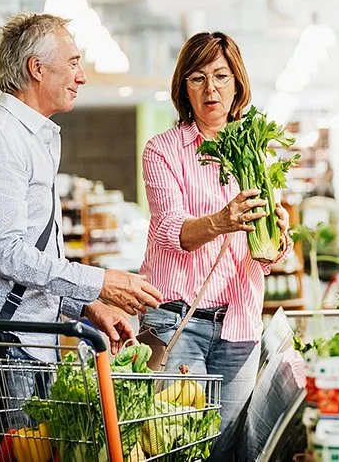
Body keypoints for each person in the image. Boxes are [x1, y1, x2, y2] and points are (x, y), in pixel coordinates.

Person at [0, 12, 163, 363]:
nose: (82, 77)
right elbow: (6, 251)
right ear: (37, 68)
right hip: (2, 344)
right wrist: (97, 281)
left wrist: (89, 306)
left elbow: (37, 254)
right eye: (74, 63)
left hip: (32, 339)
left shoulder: (34, 138)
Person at [139, 31, 291, 461]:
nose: (211, 89)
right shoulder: (163, 150)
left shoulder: (257, 151)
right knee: (177, 443)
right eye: (198, 77)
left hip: (239, 322)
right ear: (183, 87)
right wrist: (222, 221)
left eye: (222, 76)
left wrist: (279, 235)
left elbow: (267, 257)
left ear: (238, 84)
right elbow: (170, 229)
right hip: (176, 322)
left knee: (227, 446)